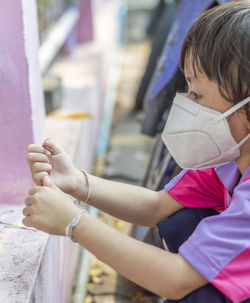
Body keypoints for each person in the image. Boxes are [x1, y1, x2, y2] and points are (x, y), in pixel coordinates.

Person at [23, 2, 250, 302]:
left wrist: (73, 223)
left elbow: (176, 279)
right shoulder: (230, 162)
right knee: (183, 219)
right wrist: (78, 181)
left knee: (199, 293)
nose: (186, 103)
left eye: (197, 94)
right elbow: (156, 206)